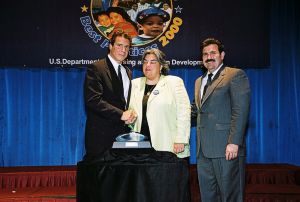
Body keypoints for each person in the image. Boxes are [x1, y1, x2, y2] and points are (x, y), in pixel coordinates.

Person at [194, 38, 250, 201]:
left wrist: (234, 142)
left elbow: (240, 111)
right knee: (208, 196)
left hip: (226, 148)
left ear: (222, 55)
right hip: (203, 150)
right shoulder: (199, 81)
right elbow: (197, 110)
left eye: (213, 53)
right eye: (205, 54)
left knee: (230, 196)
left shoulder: (235, 75)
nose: (209, 56)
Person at [129, 48, 191, 158]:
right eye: (145, 61)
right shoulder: (134, 84)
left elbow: (184, 112)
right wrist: (130, 118)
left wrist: (181, 139)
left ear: (161, 66)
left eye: (153, 62)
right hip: (140, 147)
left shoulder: (174, 82)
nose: (148, 65)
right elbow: (130, 114)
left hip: (168, 145)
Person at [84, 31, 137, 159]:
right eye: (119, 45)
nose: (123, 50)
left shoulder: (127, 72)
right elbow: (93, 100)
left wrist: (131, 114)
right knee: (100, 178)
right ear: (110, 46)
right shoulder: (96, 68)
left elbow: (124, 102)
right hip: (100, 138)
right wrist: (121, 114)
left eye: (126, 47)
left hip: (122, 137)